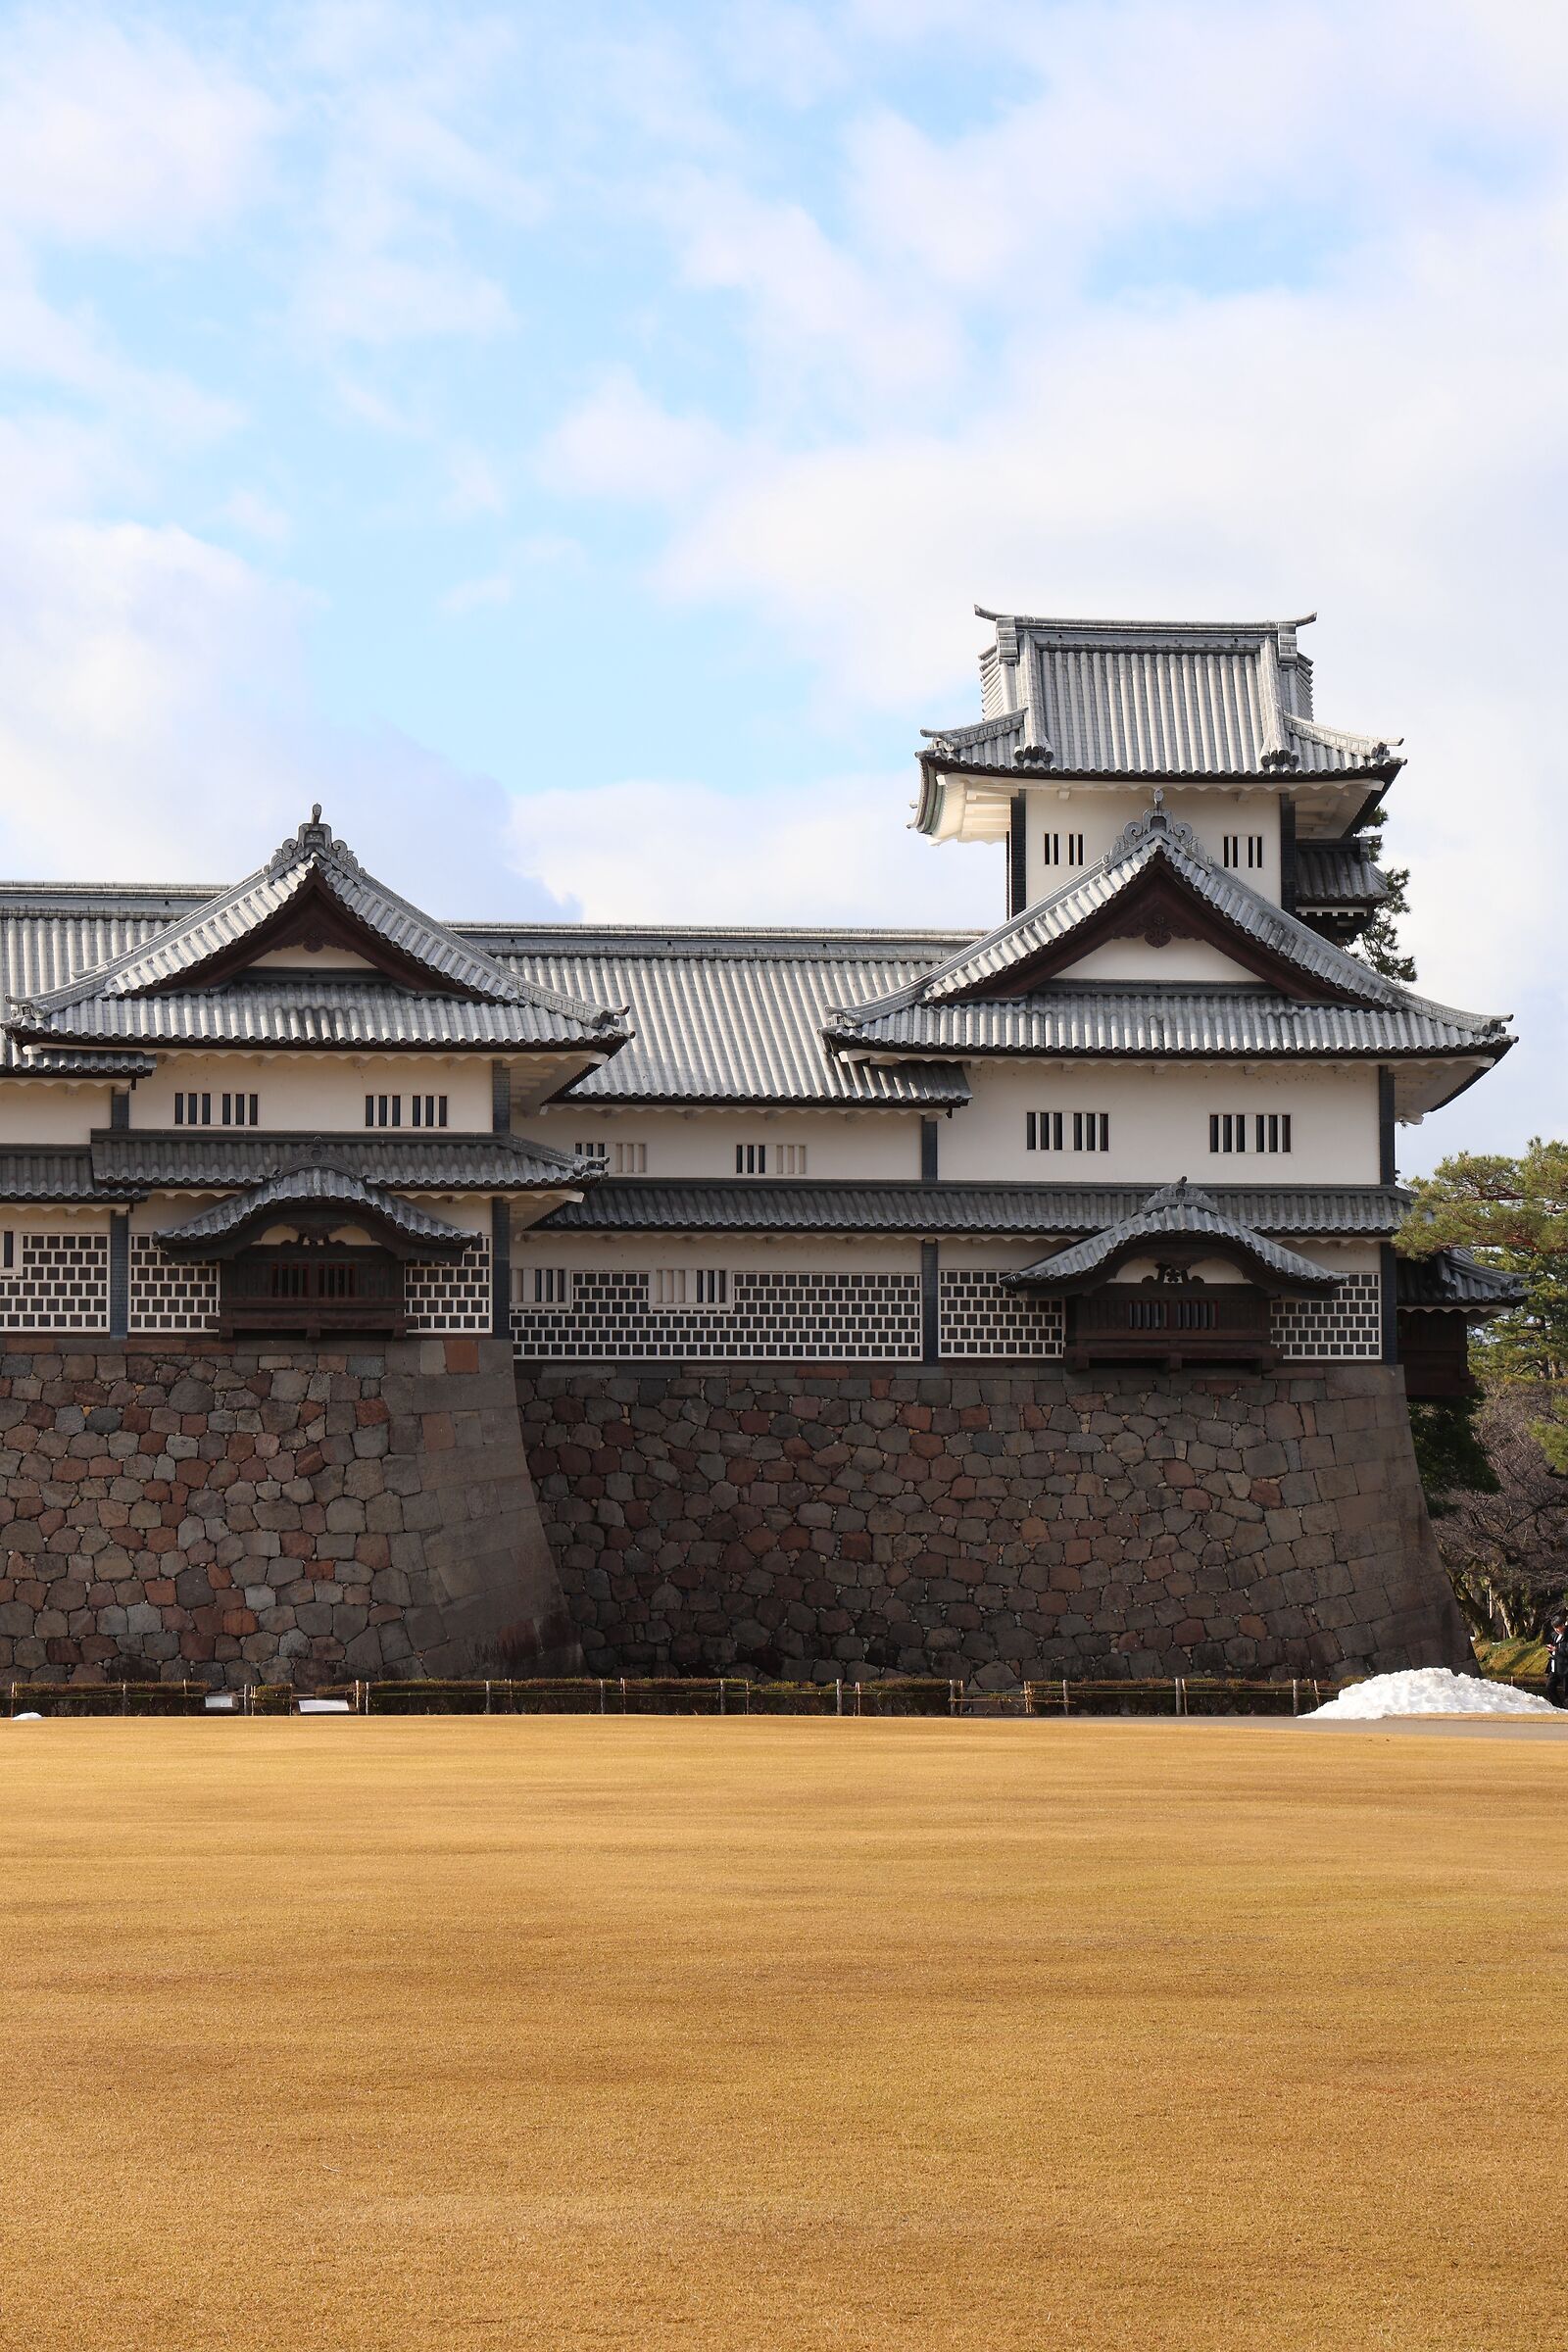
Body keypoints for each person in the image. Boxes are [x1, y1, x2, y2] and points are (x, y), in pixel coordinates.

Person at [1546, 1614, 1568, 1710]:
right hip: (1555, 1666)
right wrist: (1551, 1649)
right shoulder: (1554, 1635)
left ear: (1563, 1625)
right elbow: (1554, 1648)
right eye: (1555, 1628)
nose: (1557, 1630)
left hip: (1565, 1667)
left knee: (1566, 1691)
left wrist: (1557, 1649)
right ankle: (1558, 1707)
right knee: (1550, 1686)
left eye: (1558, 1627)